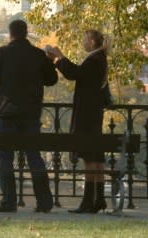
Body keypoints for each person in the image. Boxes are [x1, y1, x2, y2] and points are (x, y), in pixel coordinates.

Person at [0, 20, 58, 213]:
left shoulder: (2, 54)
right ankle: (44, 201)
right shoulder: (38, 55)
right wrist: (49, 61)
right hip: (31, 114)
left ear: (11, 33)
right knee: (34, 157)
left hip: (6, 113)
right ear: (26, 33)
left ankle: (9, 201)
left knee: (5, 158)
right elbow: (51, 80)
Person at [45, 30, 109, 213]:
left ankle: (89, 201)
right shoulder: (99, 58)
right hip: (93, 113)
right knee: (95, 158)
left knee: (89, 158)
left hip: (87, 114)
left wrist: (59, 57)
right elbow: (79, 74)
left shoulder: (94, 59)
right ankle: (99, 199)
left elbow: (75, 74)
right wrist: (60, 60)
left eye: (83, 39)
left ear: (91, 41)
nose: (82, 42)